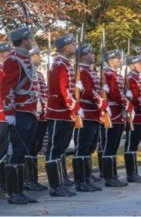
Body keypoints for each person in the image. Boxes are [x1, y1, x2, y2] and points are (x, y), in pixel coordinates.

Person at [1, 27, 39, 204]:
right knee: (16, 152)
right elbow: (6, 87)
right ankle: (13, 193)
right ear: (23, 40)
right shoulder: (13, 60)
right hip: (19, 112)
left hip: (29, 111)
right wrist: (9, 112)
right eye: (30, 38)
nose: (32, 41)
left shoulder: (25, 59)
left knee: (23, 152)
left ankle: (20, 191)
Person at [46, 33, 83, 197]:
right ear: (65, 47)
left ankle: (61, 181)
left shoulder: (67, 64)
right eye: (72, 44)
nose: (75, 46)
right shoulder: (60, 64)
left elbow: (69, 89)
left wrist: (78, 89)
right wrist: (74, 107)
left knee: (60, 148)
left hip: (65, 113)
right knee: (54, 149)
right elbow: (62, 91)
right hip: (58, 112)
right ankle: (55, 186)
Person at [72, 43, 106, 192]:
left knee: (89, 147)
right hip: (85, 111)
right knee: (82, 147)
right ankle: (80, 181)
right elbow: (87, 92)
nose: (92, 55)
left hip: (94, 113)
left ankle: (87, 177)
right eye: (89, 53)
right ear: (83, 56)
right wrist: (99, 100)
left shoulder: (91, 71)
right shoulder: (80, 71)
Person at [101, 49, 133, 187]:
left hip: (119, 113)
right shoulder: (107, 74)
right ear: (110, 60)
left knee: (114, 146)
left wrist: (127, 94)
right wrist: (127, 103)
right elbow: (114, 93)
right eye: (118, 58)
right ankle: (109, 177)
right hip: (112, 112)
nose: (120, 60)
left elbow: (119, 91)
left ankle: (113, 175)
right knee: (109, 145)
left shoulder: (117, 75)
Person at [25, 45, 48, 191]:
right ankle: (27, 179)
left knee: (35, 147)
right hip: (31, 114)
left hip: (41, 116)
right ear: (31, 56)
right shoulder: (27, 72)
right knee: (28, 147)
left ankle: (33, 179)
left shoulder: (39, 74)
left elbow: (44, 93)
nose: (40, 57)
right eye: (38, 55)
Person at [124, 55, 141, 182]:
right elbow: (134, 98)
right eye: (139, 63)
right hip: (134, 116)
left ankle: (134, 172)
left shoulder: (139, 79)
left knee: (135, 145)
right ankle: (131, 173)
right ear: (132, 65)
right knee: (131, 144)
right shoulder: (131, 79)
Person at [0, 42, 12, 198]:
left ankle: (3, 184)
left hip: (5, 116)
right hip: (1, 115)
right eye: (8, 52)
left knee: (3, 153)